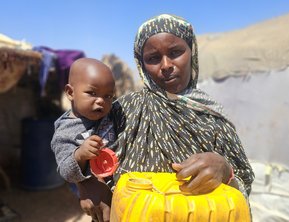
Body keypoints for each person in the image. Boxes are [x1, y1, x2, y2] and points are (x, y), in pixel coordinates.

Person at [79, 14, 255, 222]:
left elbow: (243, 180)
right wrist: (86, 182)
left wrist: (225, 170)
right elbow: (74, 138)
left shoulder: (212, 117)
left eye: (175, 52)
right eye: (153, 58)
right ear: (142, 64)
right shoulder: (123, 110)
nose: (166, 65)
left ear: (192, 52)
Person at [50, 58, 116, 203]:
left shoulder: (111, 113)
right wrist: (80, 155)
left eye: (108, 96)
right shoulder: (64, 132)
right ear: (70, 92)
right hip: (96, 197)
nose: (101, 101)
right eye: (92, 93)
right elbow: (66, 172)